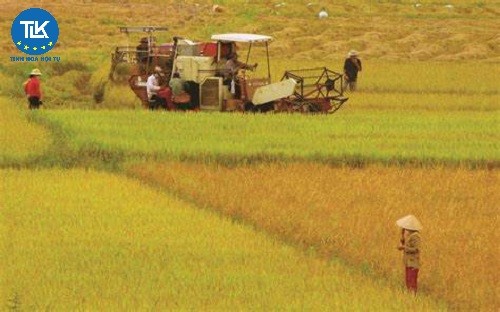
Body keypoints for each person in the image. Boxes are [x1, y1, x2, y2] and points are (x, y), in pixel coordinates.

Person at [396, 214, 423, 294]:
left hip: (413, 262)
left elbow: (416, 249)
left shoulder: (416, 236)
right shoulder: (409, 235)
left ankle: (413, 296)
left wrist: (404, 248)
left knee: (412, 280)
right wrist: (402, 236)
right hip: (408, 262)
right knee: (408, 279)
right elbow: (407, 245)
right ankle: (409, 295)